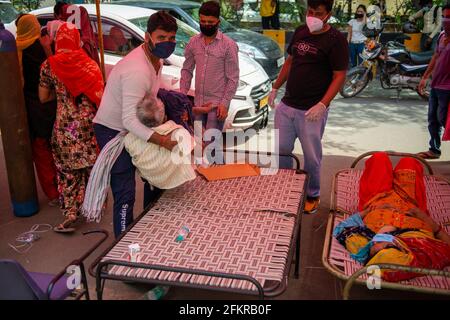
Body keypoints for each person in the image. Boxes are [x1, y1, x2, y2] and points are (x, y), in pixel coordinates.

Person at [93, 11, 179, 238]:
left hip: (134, 125)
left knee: (155, 175)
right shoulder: (136, 70)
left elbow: (146, 100)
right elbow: (128, 120)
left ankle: (147, 227)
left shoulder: (156, 60)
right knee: (125, 191)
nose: (167, 43)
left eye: (171, 38)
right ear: (147, 36)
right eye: (161, 37)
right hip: (112, 130)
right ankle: (122, 244)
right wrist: (162, 140)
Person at [268, 0, 348, 214]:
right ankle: (283, 187)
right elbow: (290, 61)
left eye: (318, 13)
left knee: (312, 156)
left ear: (328, 15)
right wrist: (276, 87)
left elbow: (339, 76)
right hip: (287, 106)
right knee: (282, 151)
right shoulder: (301, 31)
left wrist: (323, 104)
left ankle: (312, 193)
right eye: (309, 11)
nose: (312, 16)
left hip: (312, 111)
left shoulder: (336, 40)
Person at [333, 152, 450, 282]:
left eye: (378, 248)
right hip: (411, 207)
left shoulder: (360, 243)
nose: (381, 246)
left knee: (379, 158)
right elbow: (446, 243)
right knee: (410, 162)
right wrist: (426, 219)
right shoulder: (424, 249)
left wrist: (365, 213)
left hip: (377, 202)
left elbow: (343, 227)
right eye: (387, 247)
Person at [39, 23, 104, 233]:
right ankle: (95, 205)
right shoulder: (91, 65)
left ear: (59, 40)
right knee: (92, 168)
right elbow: (100, 97)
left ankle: (71, 212)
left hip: (65, 129)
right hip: (88, 127)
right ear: (77, 40)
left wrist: (60, 93)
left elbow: (43, 97)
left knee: (68, 172)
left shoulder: (49, 66)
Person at [180, 0, 239, 162]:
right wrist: (182, 97)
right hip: (198, 105)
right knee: (198, 145)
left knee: (211, 145)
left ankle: (216, 177)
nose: (206, 25)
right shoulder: (193, 42)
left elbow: (233, 78)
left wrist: (225, 103)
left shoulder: (228, 46)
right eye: (203, 21)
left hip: (216, 106)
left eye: (210, 22)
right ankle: (204, 178)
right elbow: (186, 70)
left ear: (218, 22)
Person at [16, 14, 59, 207]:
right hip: (49, 104)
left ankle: (52, 193)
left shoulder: (14, 50)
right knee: (54, 149)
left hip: (29, 107)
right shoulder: (42, 47)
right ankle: (62, 189)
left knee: (41, 151)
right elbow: (55, 73)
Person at [417, 4, 450, 160]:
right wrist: (425, 77)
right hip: (436, 85)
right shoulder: (442, 36)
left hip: (448, 88)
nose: (445, 20)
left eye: (448, 17)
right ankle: (434, 149)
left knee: (444, 119)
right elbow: (436, 57)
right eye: (444, 16)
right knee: (433, 119)